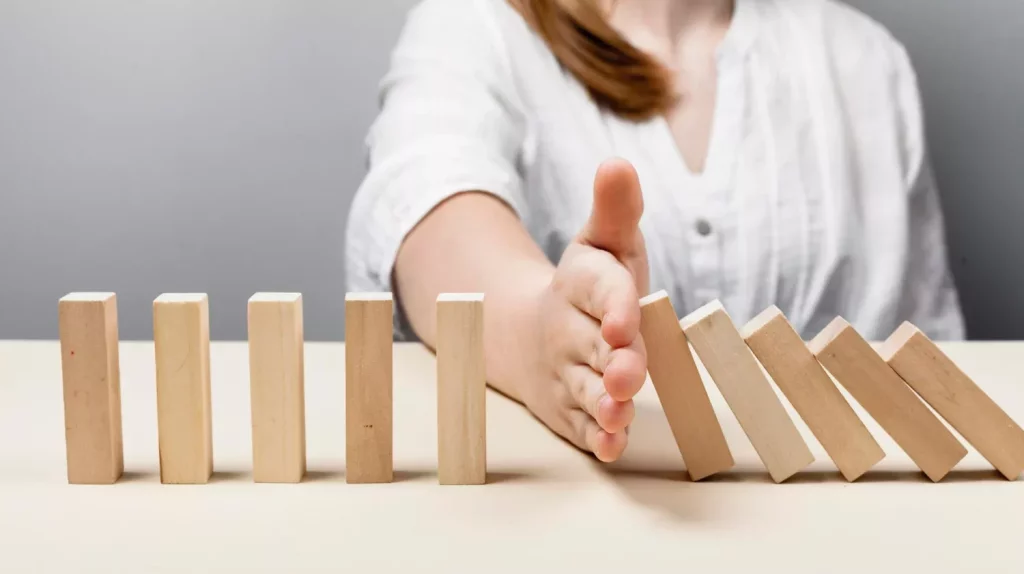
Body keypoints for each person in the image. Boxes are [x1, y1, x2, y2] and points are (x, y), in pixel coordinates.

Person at [346, 0, 965, 463]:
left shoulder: (862, 61)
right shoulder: (476, 27)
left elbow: (927, 359)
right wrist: (542, 332)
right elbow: (432, 204)